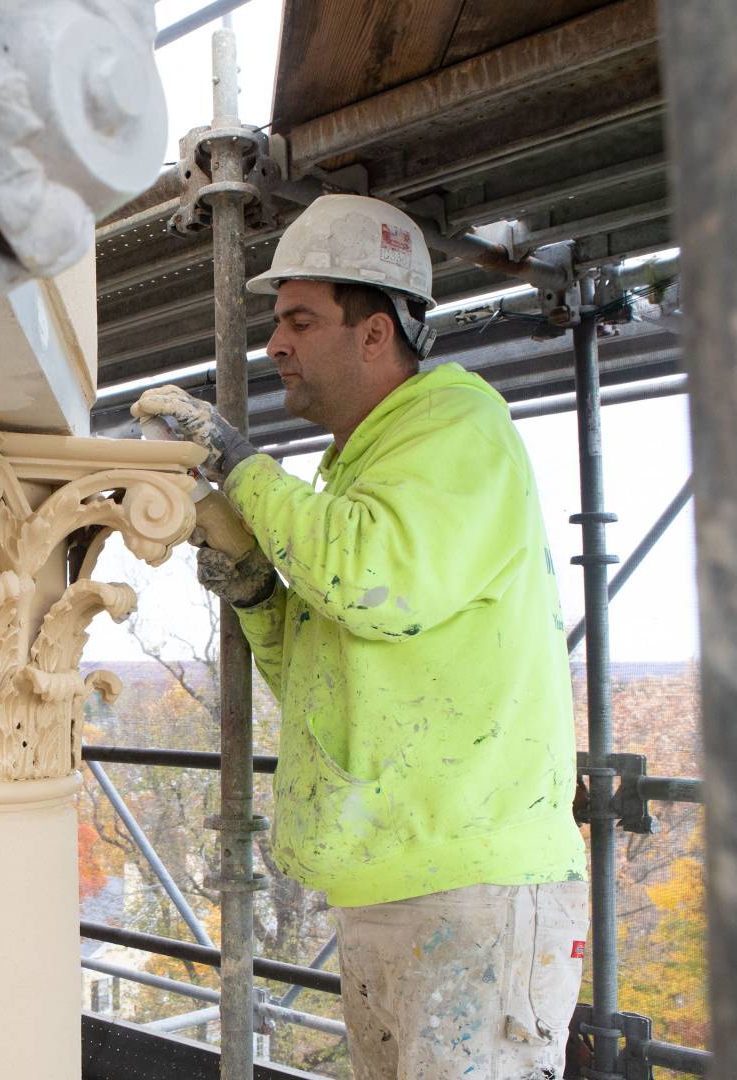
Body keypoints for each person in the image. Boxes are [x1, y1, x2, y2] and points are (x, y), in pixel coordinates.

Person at [132, 194, 588, 1080]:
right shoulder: (357, 468)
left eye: (300, 319)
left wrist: (237, 460)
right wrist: (257, 587)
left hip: (473, 890)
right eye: (275, 322)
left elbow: (369, 582)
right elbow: (319, 676)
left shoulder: (458, 425)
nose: (275, 345)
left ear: (376, 334)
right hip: (399, 887)